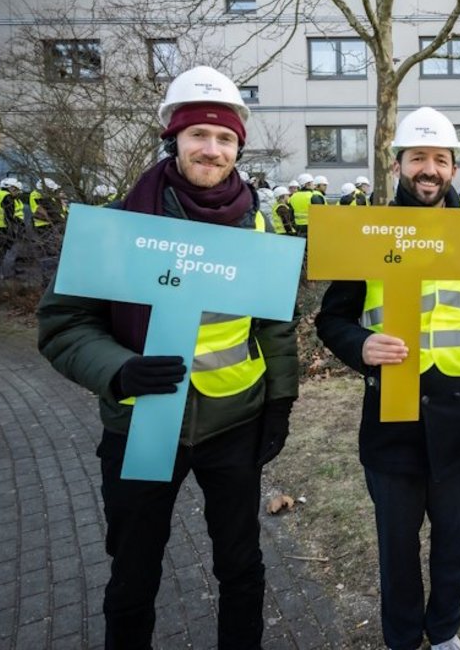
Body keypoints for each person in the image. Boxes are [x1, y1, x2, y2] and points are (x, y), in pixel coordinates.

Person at [36, 66, 300, 649]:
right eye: (199, 134)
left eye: (225, 137)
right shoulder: (119, 222)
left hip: (235, 422)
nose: (212, 148)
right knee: (133, 574)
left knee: (241, 567)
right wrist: (117, 369)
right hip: (141, 425)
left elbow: (275, 325)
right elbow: (63, 324)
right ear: (173, 139)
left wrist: (280, 402)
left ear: (239, 146)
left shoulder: (257, 223)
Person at [316, 107, 460, 650]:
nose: (429, 169)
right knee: (396, 543)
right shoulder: (367, 233)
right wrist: (360, 346)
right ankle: (401, 637)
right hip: (390, 410)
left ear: (454, 169)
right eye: (418, 158)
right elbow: (333, 317)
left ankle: (444, 631)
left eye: (440, 160)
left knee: (452, 537)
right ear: (398, 163)